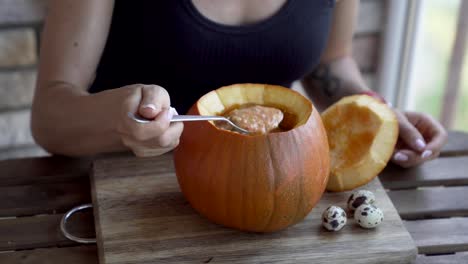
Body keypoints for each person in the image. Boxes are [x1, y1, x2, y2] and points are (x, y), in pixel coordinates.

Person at [31, 0, 447, 167]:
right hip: (124, 195)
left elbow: (331, 61)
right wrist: (118, 119)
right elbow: (49, 116)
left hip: (273, 183)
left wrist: (372, 113)